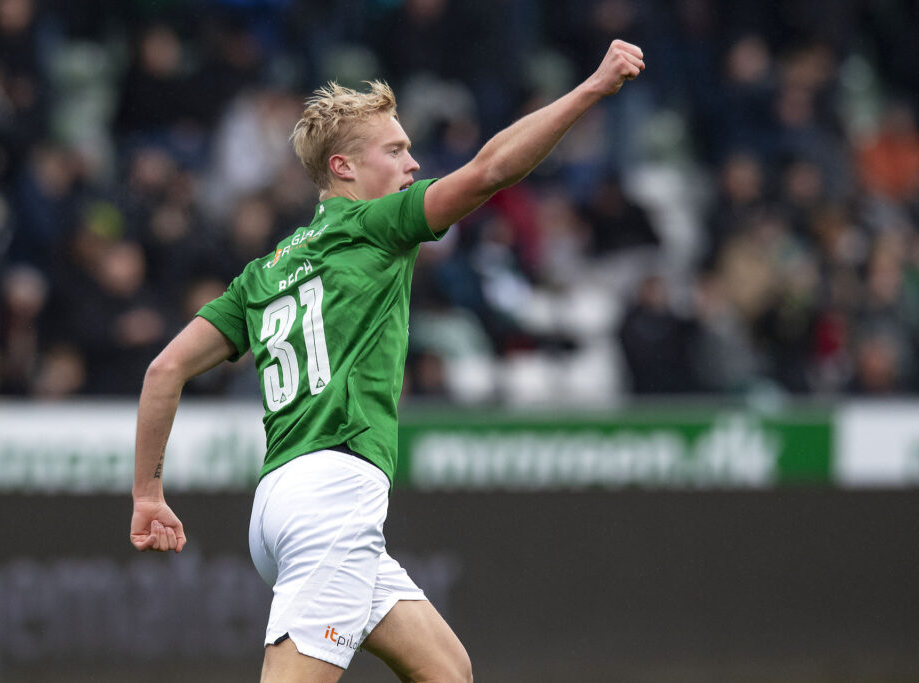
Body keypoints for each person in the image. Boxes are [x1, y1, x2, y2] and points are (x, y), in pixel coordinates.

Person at [130, 39, 644, 682]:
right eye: (395, 150)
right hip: (332, 495)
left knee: (448, 673)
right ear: (343, 168)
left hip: (277, 505)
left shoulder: (261, 273)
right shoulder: (377, 225)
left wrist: (147, 493)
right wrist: (591, 89)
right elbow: (489, 170)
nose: (414, 161)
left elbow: (163, 371)